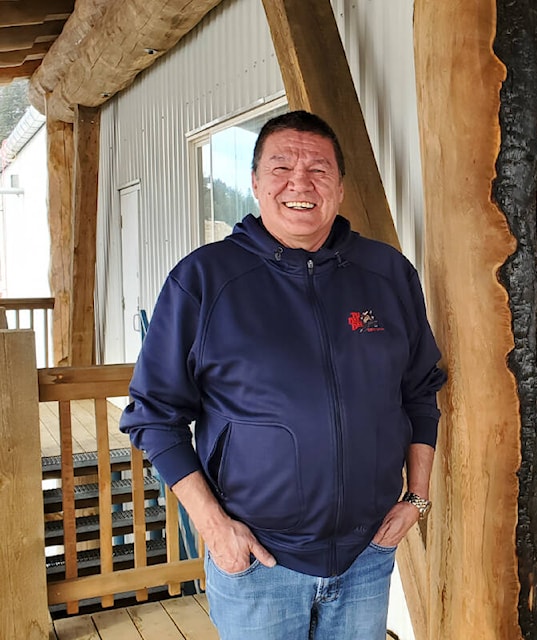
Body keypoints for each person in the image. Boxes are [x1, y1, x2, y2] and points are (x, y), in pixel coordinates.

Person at [120, 110, 446, 640]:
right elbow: (154, 417)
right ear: (254, 183)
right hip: (257, 560)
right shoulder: (204, 279)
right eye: (281, 168)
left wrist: (417, 497)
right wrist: (214, 528)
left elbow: (420, 392)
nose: (300, 182)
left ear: (340, 187)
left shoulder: (387, 274)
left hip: (367, 556)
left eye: (319, 169)